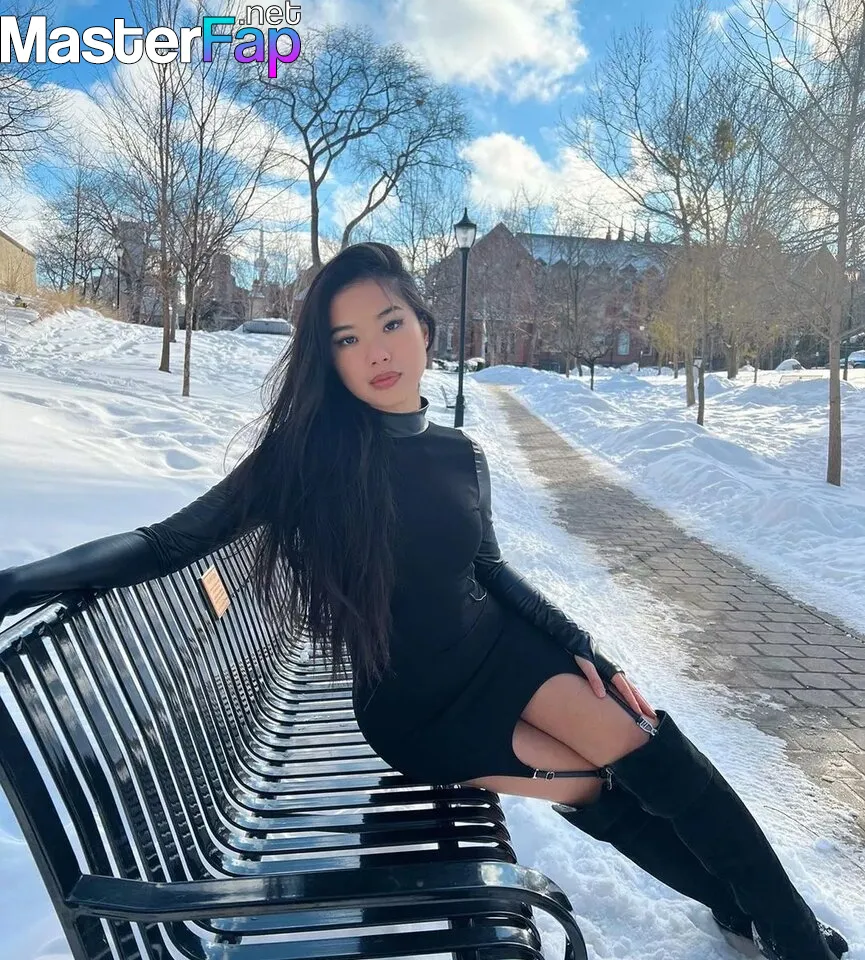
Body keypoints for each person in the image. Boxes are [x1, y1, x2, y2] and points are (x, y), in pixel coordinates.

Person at [0, 243, 847, 960]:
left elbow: (489, 570)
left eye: (389, 324)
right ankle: (748, 912)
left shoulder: (459, 453)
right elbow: (166, 542)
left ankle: (775, 925)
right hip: (416, 707)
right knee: (595, 783)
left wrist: (586, 646)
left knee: (648, 743)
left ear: (424, 328)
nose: (375, 351)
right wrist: (11, 584)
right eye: (347, 338)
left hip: (502, 650)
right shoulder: (306, 456)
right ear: (328, 358)